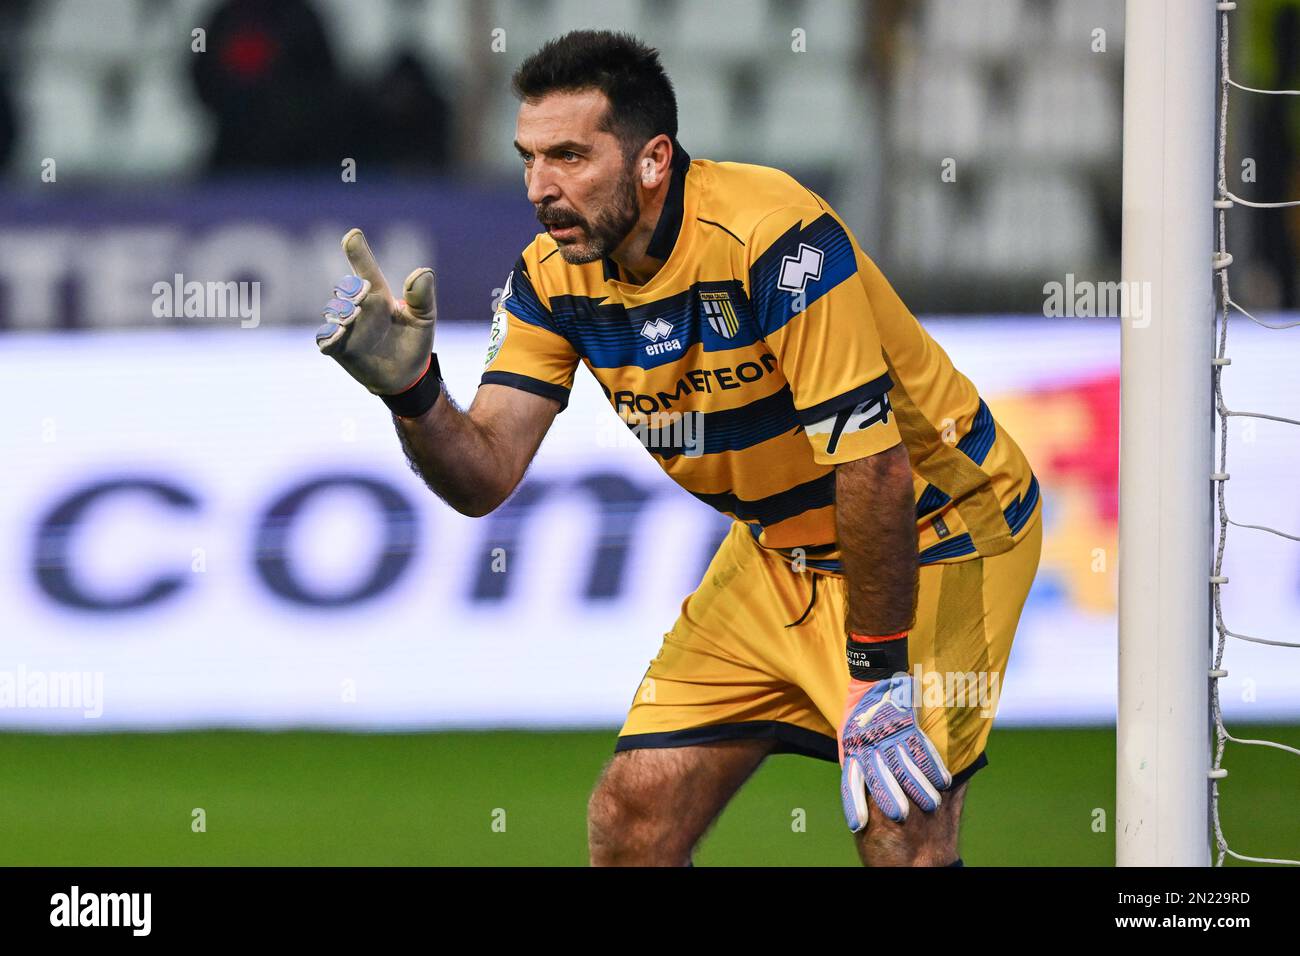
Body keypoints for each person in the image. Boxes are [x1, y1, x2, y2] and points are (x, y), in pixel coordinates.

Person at [315, 30, 1043, 867]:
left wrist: (877, 675)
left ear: (653, 160)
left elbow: (872, 463)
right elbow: (483, 475)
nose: (540, 190)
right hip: (781, 554)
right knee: (633, 820)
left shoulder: (776, 239)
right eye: (527, 160)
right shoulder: (552, 277)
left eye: (568, 157)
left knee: (901, 830)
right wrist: (414, 394)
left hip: (934, 529)